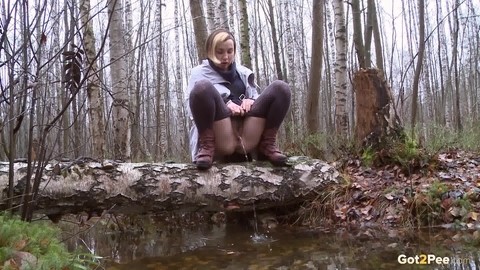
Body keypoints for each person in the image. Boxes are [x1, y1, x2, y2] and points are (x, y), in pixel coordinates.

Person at [186, 29, 291, 170]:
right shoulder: (198, 73)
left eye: (230, 51)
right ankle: (207, 147)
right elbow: (191, 110)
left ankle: (267, 144)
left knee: (281, 88)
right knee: (202, 88)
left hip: (248, 135)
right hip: (222, 136)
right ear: (210, 51)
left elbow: (257, 98)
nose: (225, 57)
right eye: (220, 52)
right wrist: (225, 104)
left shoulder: (243, 72)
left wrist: (251, 100)